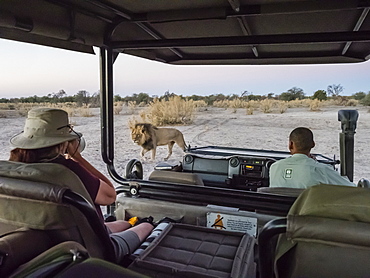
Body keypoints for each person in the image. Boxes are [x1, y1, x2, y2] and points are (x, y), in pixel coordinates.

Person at [9, 107, 155, 261]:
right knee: (147, 226)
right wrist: (76, 157)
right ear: (63, 142)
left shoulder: (14, 168)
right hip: (91, 249)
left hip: (47, 244)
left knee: (123, 224)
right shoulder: (66, 170)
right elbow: (110, 196)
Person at [269, 127, 356, 188]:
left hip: (276, 212)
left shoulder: (274, 167)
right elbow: (350, 187)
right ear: (313, 144)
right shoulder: (321, 170)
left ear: (290, 145)